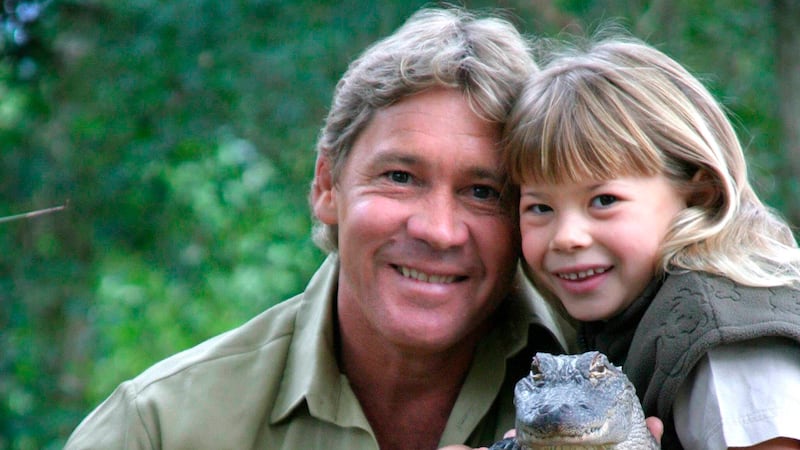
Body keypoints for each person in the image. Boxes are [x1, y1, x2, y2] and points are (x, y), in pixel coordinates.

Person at [64, 7, 574, 450]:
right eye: (400, 177)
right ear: (327, 187)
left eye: (484, 192)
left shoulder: (615, 381)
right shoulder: (160, 428)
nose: (439, 231)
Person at [504, 34, 800, 450]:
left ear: (699, 195)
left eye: (603, 200)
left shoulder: (728, 339)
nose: (567, 237)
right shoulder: (634, 311)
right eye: (539, 207)